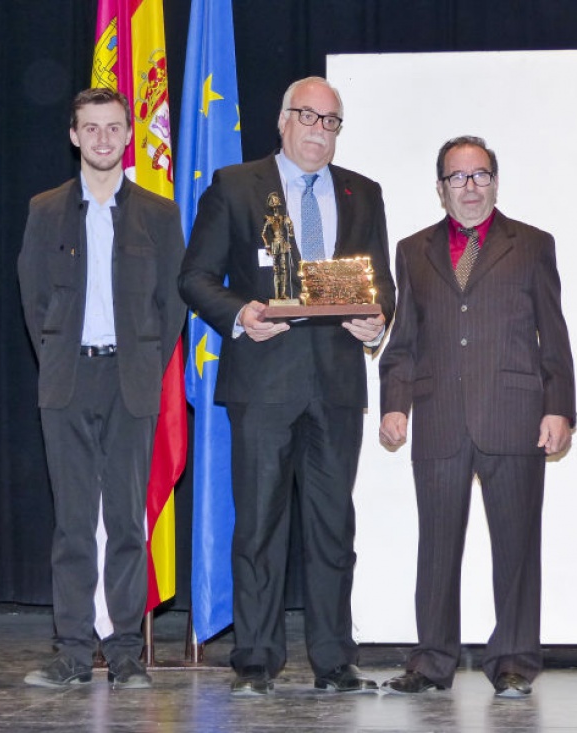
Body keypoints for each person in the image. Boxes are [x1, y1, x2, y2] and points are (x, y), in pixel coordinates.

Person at [178, 76, 396, 696]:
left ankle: (333, 660)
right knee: (258, 529)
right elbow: (195, 278)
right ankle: (255, 657)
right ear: (282, 121)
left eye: (331, 122)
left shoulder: (363, 193)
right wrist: (241, 315)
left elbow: (381, 285)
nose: (319, 131)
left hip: (335, 386)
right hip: (263, 383)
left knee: (333, 529)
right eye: (308, 117)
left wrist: (377, 318)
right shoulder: (235, 185)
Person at [376, 136, 576, 698]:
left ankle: (513, 659)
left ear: (495, 181)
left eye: (480, 175)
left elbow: (554, 336)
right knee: (436, 545)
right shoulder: (413, 250)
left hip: (515, 413)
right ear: (439, 188)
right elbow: (404, 342)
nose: (470, 187)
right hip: (439, 416)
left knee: (516, 544)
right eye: (457, 177)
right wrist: (396, 401)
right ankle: (432, 661)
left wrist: (559, 407)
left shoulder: (533, 245)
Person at [16, 87, 186, 690]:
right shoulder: (45, 210)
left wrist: (139, 359)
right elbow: (33, 297)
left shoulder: (160, 216)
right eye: (91, 129)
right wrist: (63, 355)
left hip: (131, 381)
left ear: (128, 134)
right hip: (66, 380)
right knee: (72, 522)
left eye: (114, 128)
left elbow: (172, 306)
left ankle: (124, 654)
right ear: (74, 136)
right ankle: (70, 653)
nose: (104, 139)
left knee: (125, 521)